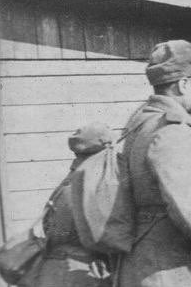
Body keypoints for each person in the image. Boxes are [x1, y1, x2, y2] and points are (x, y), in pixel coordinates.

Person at [117, 40, 191, 287]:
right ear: (183, 84)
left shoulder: (140, 122)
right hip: (174, 268)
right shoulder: (174, 131)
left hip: (146, 263)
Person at [22, 123, 115, 287]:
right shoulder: (93, 183)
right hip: (80, 272)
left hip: (51, 269)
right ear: (104, 151)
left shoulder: (67, 182)